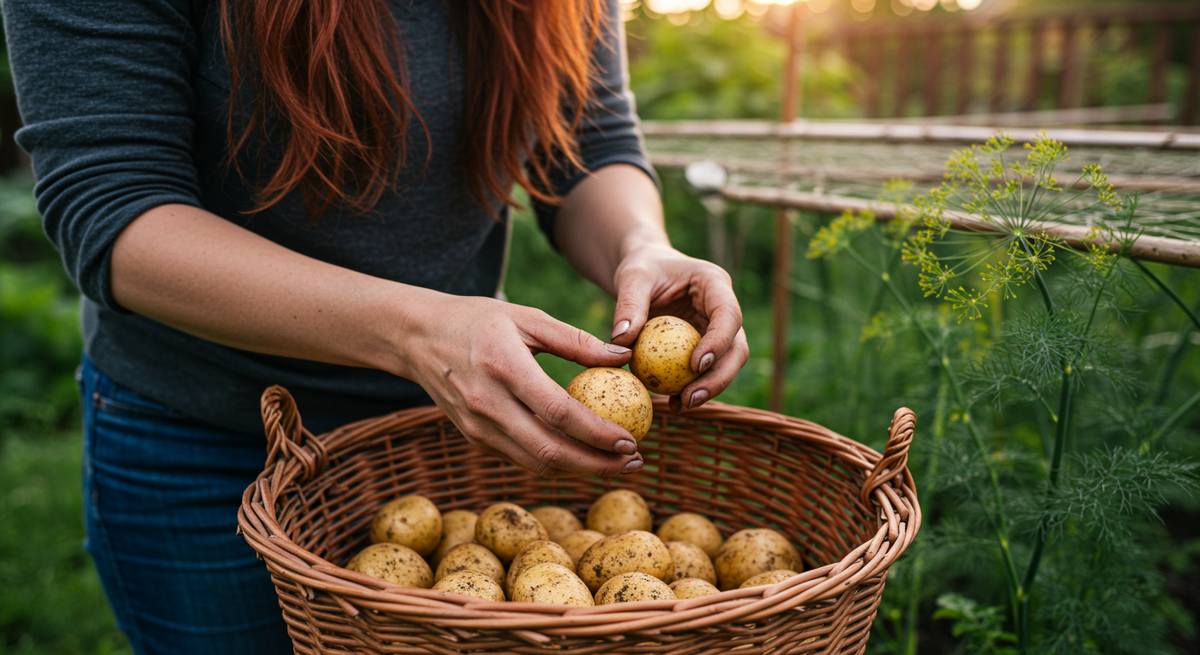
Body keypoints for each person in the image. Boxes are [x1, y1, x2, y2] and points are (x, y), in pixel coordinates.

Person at [3, 0, 748, 652]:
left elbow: (585, 137)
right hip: (208, 442)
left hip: (443, 443)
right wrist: (416, 331)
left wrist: (640, 247)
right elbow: (113, 205)